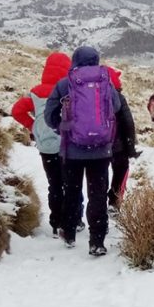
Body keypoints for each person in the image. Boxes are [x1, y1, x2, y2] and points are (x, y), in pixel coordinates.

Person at [45, 46, 121, 256]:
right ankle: (97, 241)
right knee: (98, 194)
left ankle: (69, 233)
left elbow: (49, 114)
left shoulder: (65, 83)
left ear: (75, 61)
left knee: (72, 190)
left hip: (72, 150)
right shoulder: (106, 82)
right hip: (101, 150)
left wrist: (62, 128)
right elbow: (115, 107)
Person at [11, 52, 84, 237]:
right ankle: (74, 220)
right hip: (68, 146)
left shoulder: (36, 93)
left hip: (46, 146)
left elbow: (17, 110)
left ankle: (56, 221)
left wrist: (33, 126)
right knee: (71, 185)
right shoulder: (69, 90)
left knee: (55, 185)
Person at [106, 67, 140, 214]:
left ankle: (99, 201)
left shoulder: (91, 96)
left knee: (98, 175)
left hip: (98, 145)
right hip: (118, 146)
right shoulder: (119, 97)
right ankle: (114, 202)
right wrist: (130, 147)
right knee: (120, 171)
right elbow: (128, 123)